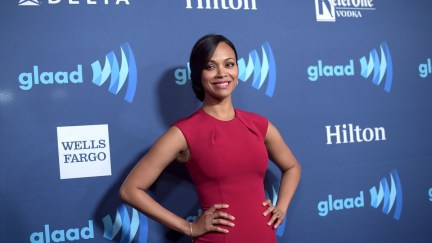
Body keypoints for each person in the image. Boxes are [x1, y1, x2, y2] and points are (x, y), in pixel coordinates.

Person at [120, 34, 301, 243]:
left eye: (229, 64)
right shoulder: (183, 132)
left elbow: (292, 167)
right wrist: (187, 226)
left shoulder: (259, 125)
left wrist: (281, 207)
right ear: (198, 74)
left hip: (264, 237)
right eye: (211, 66)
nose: (222, 73)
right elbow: (130, 190)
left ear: (237, 69)